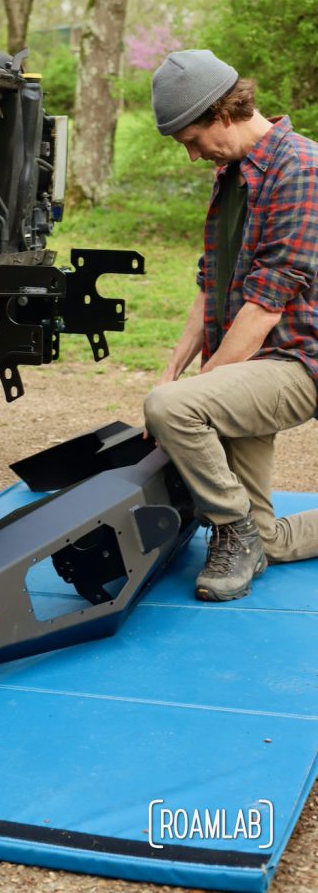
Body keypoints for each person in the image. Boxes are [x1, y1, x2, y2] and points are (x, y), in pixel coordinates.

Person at [143, 49, 318, 602]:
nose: (194, 156)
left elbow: (266, 306)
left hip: (294, 363)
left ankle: (234, 533)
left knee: (172, 408)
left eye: (192, 140)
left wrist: (191, 393)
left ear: (222, 112)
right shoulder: (233, 173)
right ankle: (251, 535)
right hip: (248, 362)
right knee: (271, 537)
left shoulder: (302, 169)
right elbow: (209, 284)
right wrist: (174, 368)